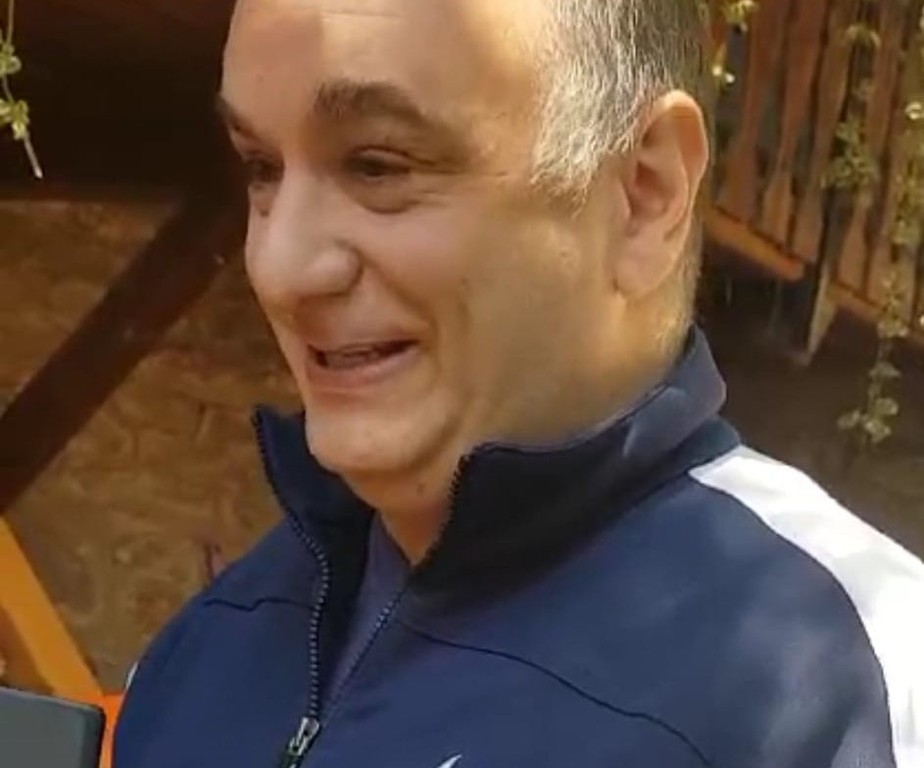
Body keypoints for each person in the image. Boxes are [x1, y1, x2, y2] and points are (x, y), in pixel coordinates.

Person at [113, 1, 924, 766]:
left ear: (645, 195)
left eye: (378, 165)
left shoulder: (858, 688)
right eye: (261, 168)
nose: (280, 268)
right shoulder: (197, 654)